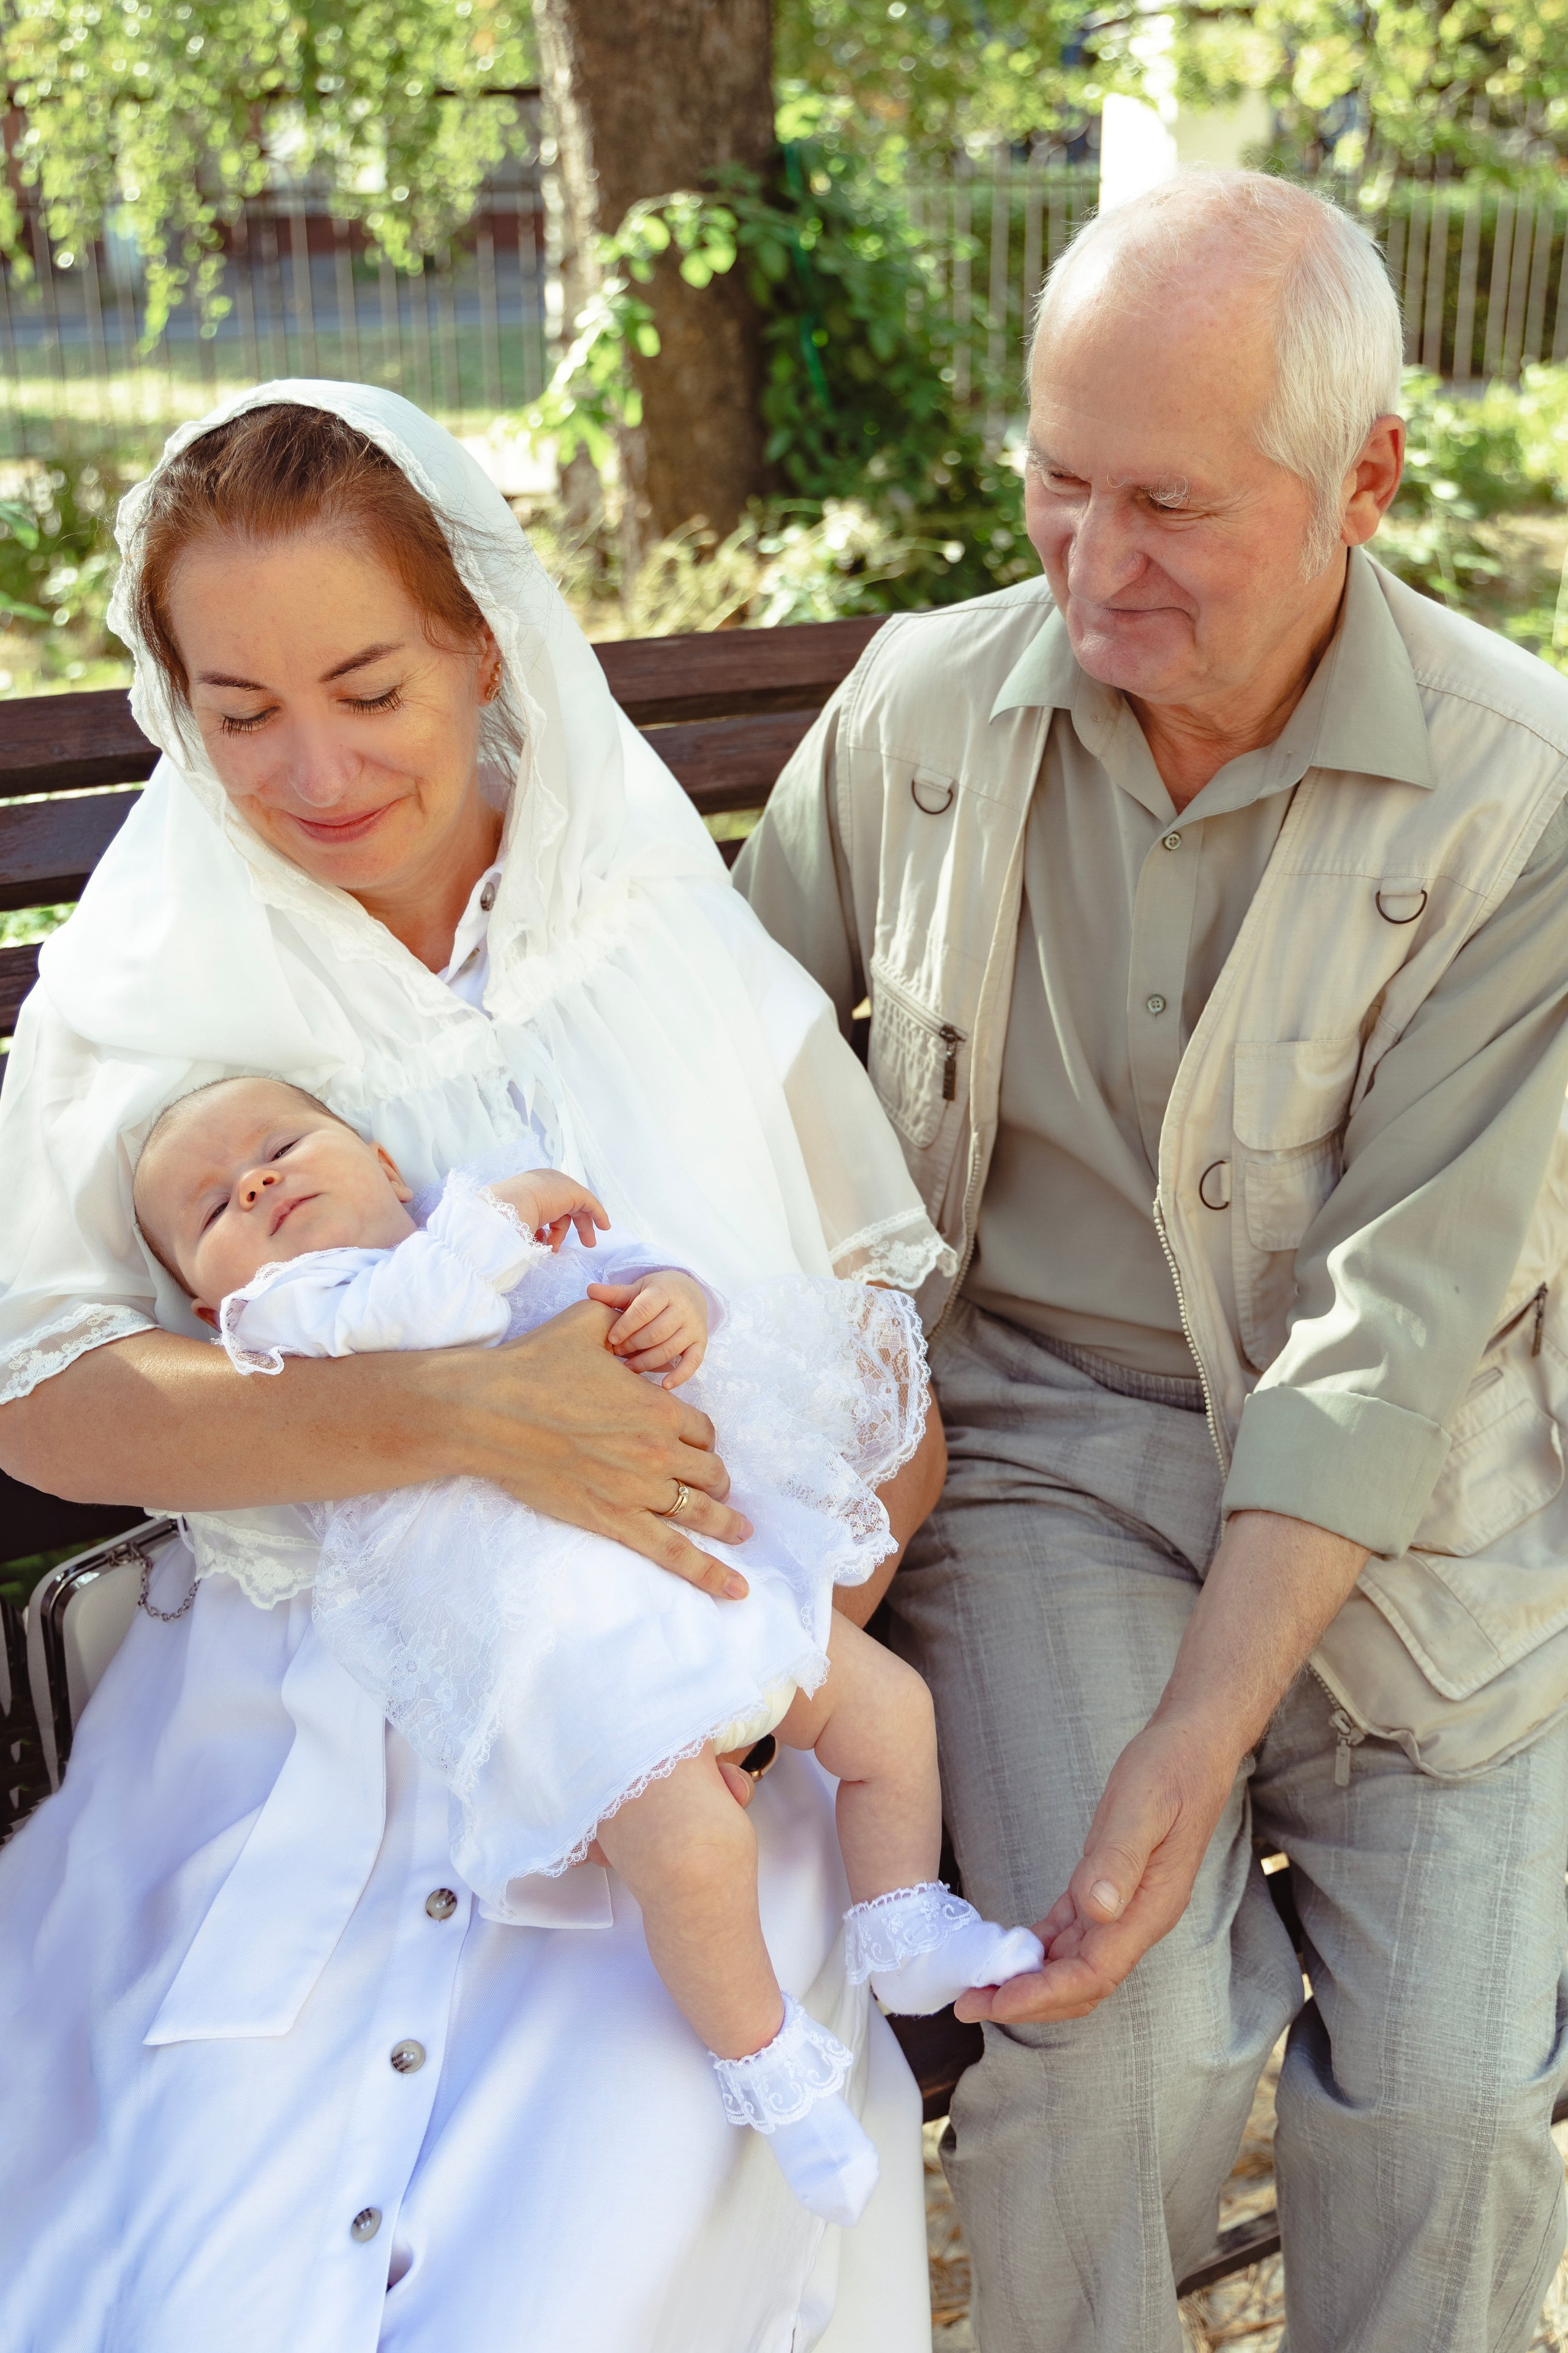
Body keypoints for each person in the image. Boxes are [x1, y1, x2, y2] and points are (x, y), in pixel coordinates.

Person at [0, 383, 951, 2353]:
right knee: (183, 2270)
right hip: (296, 1713)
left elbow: (886, 1402)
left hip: (670, 1711)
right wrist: (460, 1418)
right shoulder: (155, 963)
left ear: (480, 641)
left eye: (368, 686)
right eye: (236, 709)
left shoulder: (649, 927)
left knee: (591, 2259)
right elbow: (43, 1393)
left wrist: (752, 1689)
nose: (312, 769)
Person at [737, 168, 1568, 2353]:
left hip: (1421, 1516)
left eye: (1176, 509)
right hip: (1038, 1468)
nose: (1097, 572)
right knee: (1116, 2048)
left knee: (1463, 2110)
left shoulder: (1523, 797)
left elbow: (1404, 1321)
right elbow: (708, 1065)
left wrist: (1196, 1749)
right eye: (1056, 480)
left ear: (1369, 479)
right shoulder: (922, 715)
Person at [129, 1072, 1042, 2224]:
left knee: (890, 1713)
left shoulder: (479, 1228)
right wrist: (500, 1213)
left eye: (280, 1145)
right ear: (212, 1309)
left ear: (383, 1162)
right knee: (698, 1859)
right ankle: (776, 2072)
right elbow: (419, 1307)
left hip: (709, 1590)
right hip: (578, 1665)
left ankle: (904, 1921)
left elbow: (625, 1277)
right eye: (213, 1209)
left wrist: (674, 1301)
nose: (256, 1182)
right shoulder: (294, 1331)